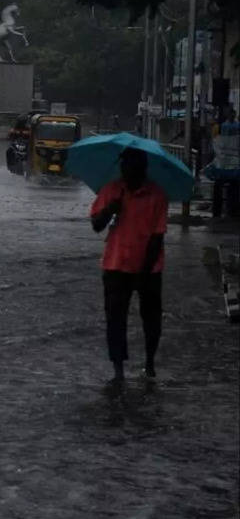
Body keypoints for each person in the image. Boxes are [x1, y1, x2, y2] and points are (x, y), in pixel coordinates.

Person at [89, 148, 167, 396]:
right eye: (123, 165)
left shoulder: (156, 195)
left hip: (149, 268)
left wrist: (143, 272)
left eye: (131, 166)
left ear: (141, 169)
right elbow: (96, 225)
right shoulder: (112, 190)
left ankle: (150, 363)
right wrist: (110, 209)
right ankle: (118, 369)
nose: (126, 170)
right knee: (115, 319)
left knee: (151, 318)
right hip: (115, 265)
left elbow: (157, 237)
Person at [206, 104, 240, 219]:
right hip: (228, 162)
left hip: (226, 162)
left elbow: (215, 143)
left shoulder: (222, 127)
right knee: (230, 187)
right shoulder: (221, 127)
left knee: (230, 187)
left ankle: (226, 210)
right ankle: (227, 210)